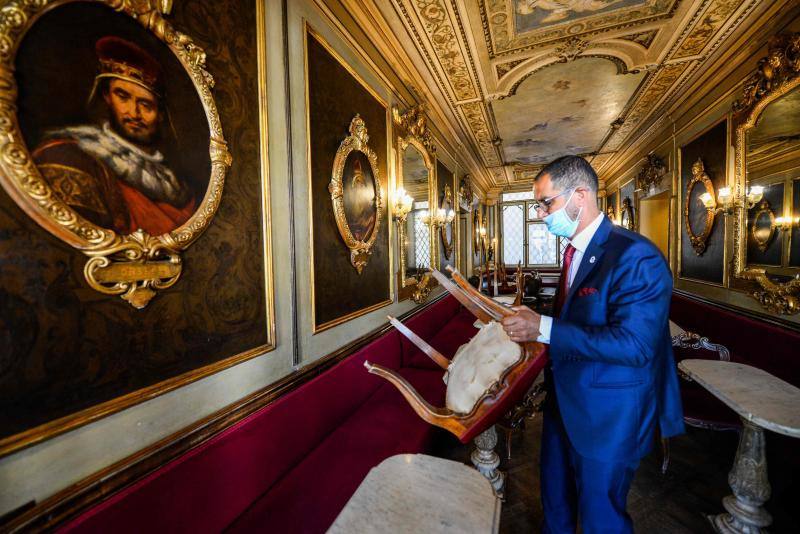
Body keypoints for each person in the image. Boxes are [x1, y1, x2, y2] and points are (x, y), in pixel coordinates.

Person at [500, 155, 684, 533]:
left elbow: (635, 345)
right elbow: (574, 325)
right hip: (562, 404)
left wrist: (544, 327)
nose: (539, 213)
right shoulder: (572, 252)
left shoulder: (636, 255)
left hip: (609, 415)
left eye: (546, 202)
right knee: (555, 501)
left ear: (580, 195)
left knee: (602, 518)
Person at [32, 36, 194, 236]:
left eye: (146, 105)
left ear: (160, 115)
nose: (133, 113)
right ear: (107, 97)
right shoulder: (72, 157)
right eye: (123, 97)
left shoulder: (178, 186)